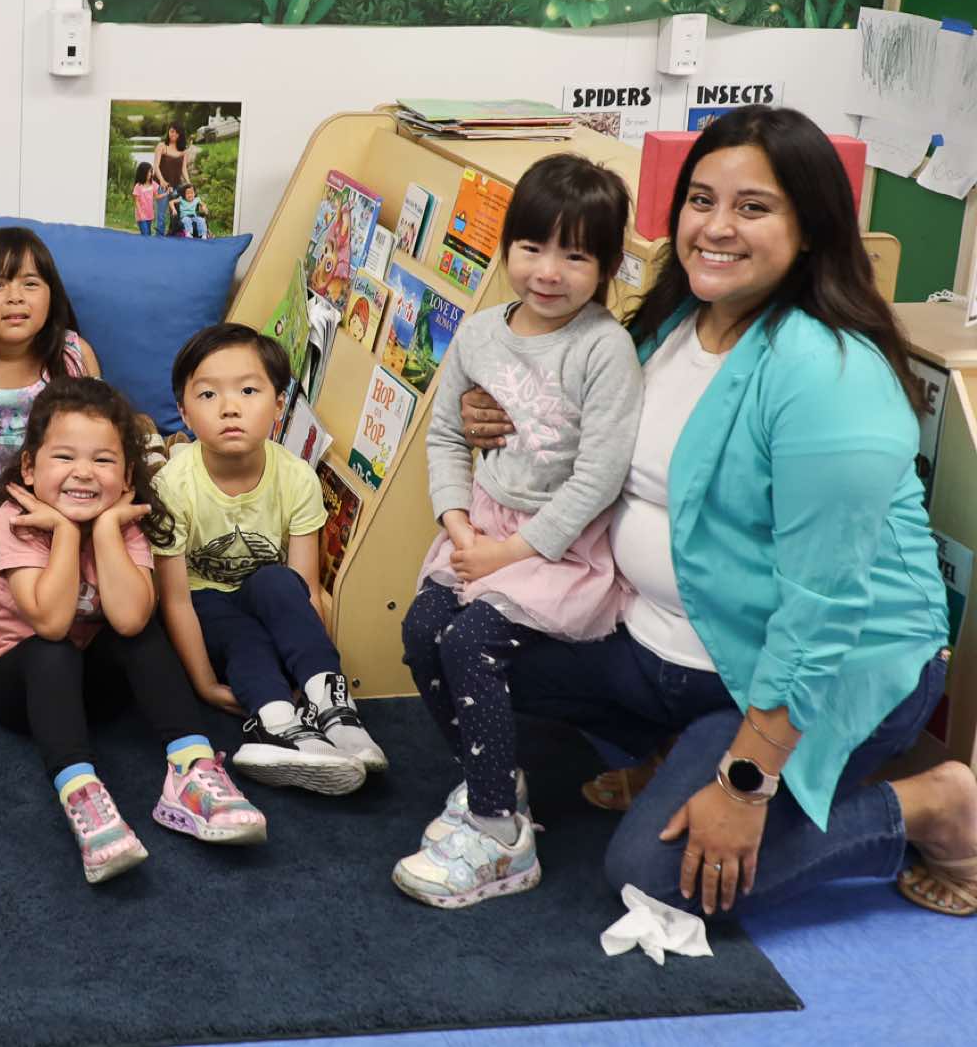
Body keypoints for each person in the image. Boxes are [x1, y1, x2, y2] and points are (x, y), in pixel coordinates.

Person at [457, 107, 976, 919]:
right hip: (666, 643)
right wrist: (497, 414)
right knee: (455, 641)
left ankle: (931, 805)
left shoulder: (828, 374)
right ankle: (672, 751)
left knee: (651, 875)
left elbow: (822, 611)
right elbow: (591, 438)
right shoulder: (672, 320)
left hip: (809, 669)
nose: (717, 226)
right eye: (701, 200)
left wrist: (746, 782)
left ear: (810, 229)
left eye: (753, 207)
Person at [392, 155, 642, 908]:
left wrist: (506, 552)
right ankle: (493, 780)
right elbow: (445, 437)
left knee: (471, 641)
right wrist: (458, 523)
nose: (549, 272)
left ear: (608, 267)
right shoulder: (478, 334)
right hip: (482, 528)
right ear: (507, 247)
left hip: (557, 546)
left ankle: (501, 834)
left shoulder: (604, 348)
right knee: (423, 629)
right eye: (533, 247)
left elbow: (598, 480)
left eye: (577, 256)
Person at [0, 378, 267, 883]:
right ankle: (82, 793)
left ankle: (192, 770)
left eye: (103, 460)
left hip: (97, 687)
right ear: (30, 468)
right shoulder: (16, 521)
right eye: (64, 457)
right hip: (19, 687)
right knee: (52, 649)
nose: (83, 472)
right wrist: (66, 533)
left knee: (142, 631)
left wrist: (107, 530)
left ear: (127, 475)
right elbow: (51, 622)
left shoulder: (124, 521)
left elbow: (130, 618)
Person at [154, 323, 386, 795]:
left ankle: (331, 705)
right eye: (208, 395)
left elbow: (305, 589)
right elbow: (175, 601)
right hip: (206, 611)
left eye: (248, 390)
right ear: (183, 412)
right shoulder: (172, 486)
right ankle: (276, 723)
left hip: (270, 603)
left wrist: (306, 668)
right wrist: (203, 684)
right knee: (234, 626)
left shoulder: (296, 477)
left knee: (277, 582)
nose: (230, 407)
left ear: (280, 405)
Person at [0, 226, 101, 514]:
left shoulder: (73, 354)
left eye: (30, 284)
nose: (15, 297)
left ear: (51, 294)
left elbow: (102, 431)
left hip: (56, 497)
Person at [152, 124, 193, 238]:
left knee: (175, 213)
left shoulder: (183, 151)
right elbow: (156, 166)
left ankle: (172, 236)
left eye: (176, 132)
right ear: (168, 132)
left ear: (180, 134)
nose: (173, 134)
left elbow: (183, 169)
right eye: (171, 131)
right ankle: (159, 237)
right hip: (162, 186)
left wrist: (189, 183)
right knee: (161, 214)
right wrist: (162, 180)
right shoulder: (162, 146)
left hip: (176, 186)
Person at [129, 162, 160, 236]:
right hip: (141, 216)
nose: (151, 174)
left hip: (150, 215)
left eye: (151, 172)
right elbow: (136, 201)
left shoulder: (153, 184)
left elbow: (156, 196)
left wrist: (166, 193)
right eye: (149, 172)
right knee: (145, 234)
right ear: (143, 173)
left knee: (148, 234)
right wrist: (141, 214)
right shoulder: (138, 186)